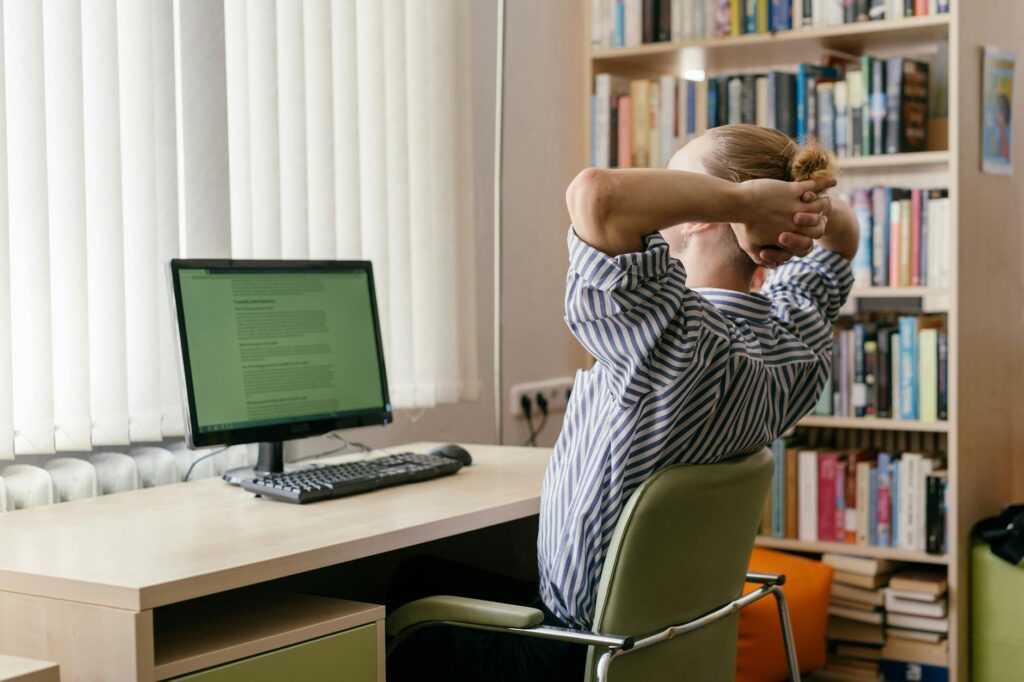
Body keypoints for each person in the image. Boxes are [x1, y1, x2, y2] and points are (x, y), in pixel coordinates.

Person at [389, 124, 858, 681]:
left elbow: (597, 194)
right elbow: (842, 236)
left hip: (571, 650)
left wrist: (742, 202)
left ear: (702, 212)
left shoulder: (667, 337)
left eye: (675, 183)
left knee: (398, 590)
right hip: (651, 647)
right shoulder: (794, 338)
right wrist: (788, 208)